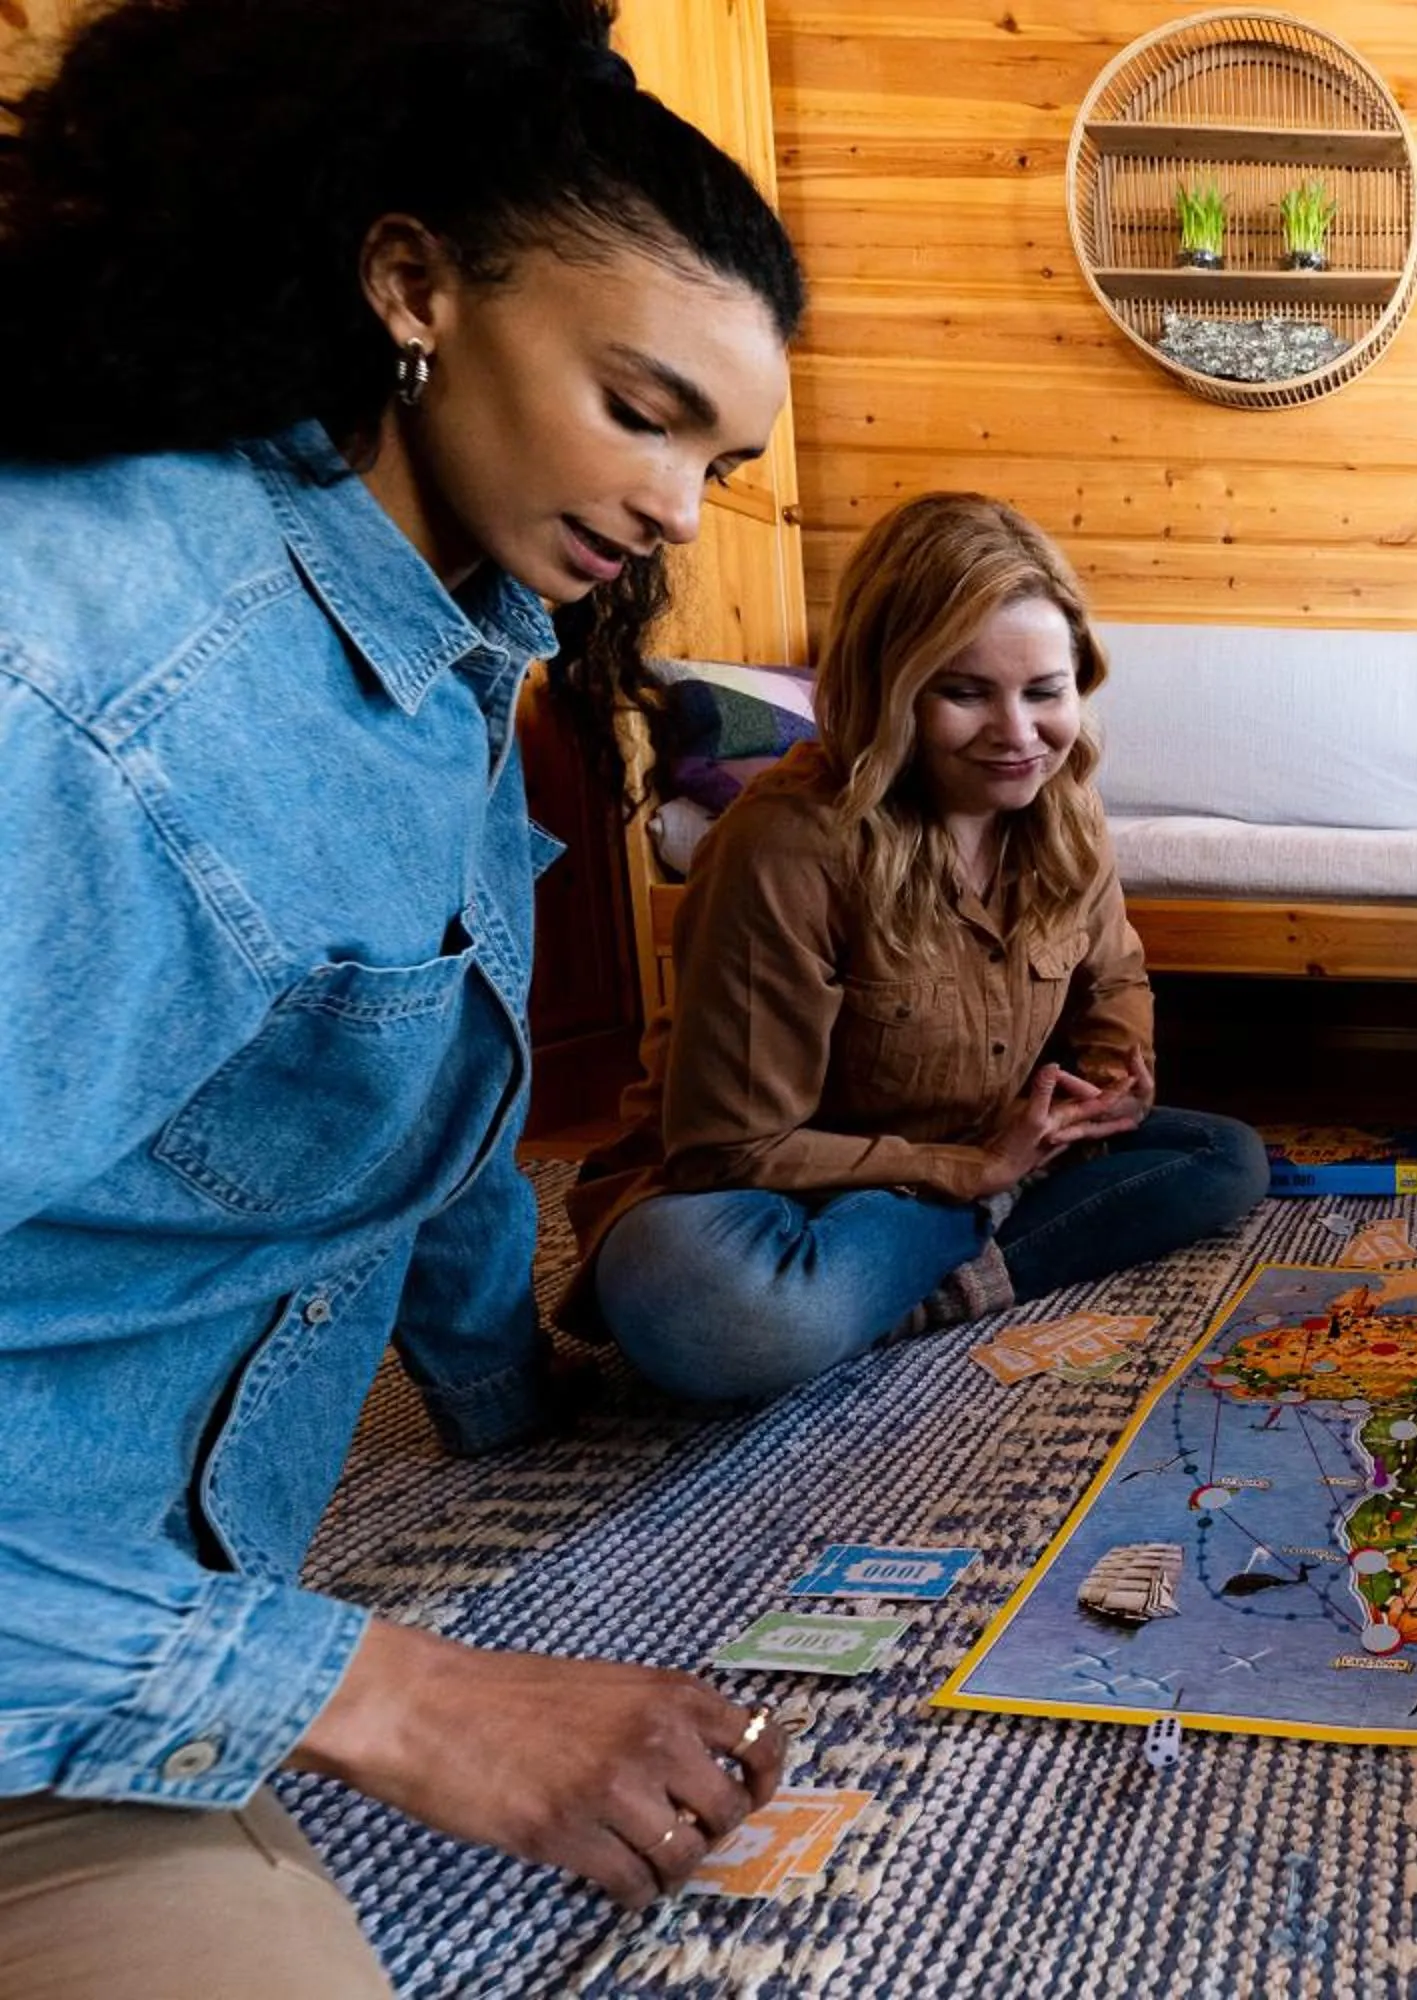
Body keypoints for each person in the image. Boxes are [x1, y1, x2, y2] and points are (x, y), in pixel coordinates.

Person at [0, 0, 809, 1981]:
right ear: (412, 283)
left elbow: (416, 1110)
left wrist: (516, 1407)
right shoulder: (104, 697)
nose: (682, 512)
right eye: (642, 407)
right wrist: (392, 1690)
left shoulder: (455, 649)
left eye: (725, 454)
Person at [566, 492, 1268, 1403]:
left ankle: (926, 1275)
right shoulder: (787, 844)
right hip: (781, 1191)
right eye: (965, 692)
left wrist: (1108, 1079)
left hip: (987, 1151)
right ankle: (971, 1233)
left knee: (1226, 1158)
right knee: (701, 1300)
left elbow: (1114, 977)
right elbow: (727, 1147)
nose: (1019, 737)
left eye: (1045, 692)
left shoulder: (1068, 809)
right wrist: (970, 1172)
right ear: (888, 686)